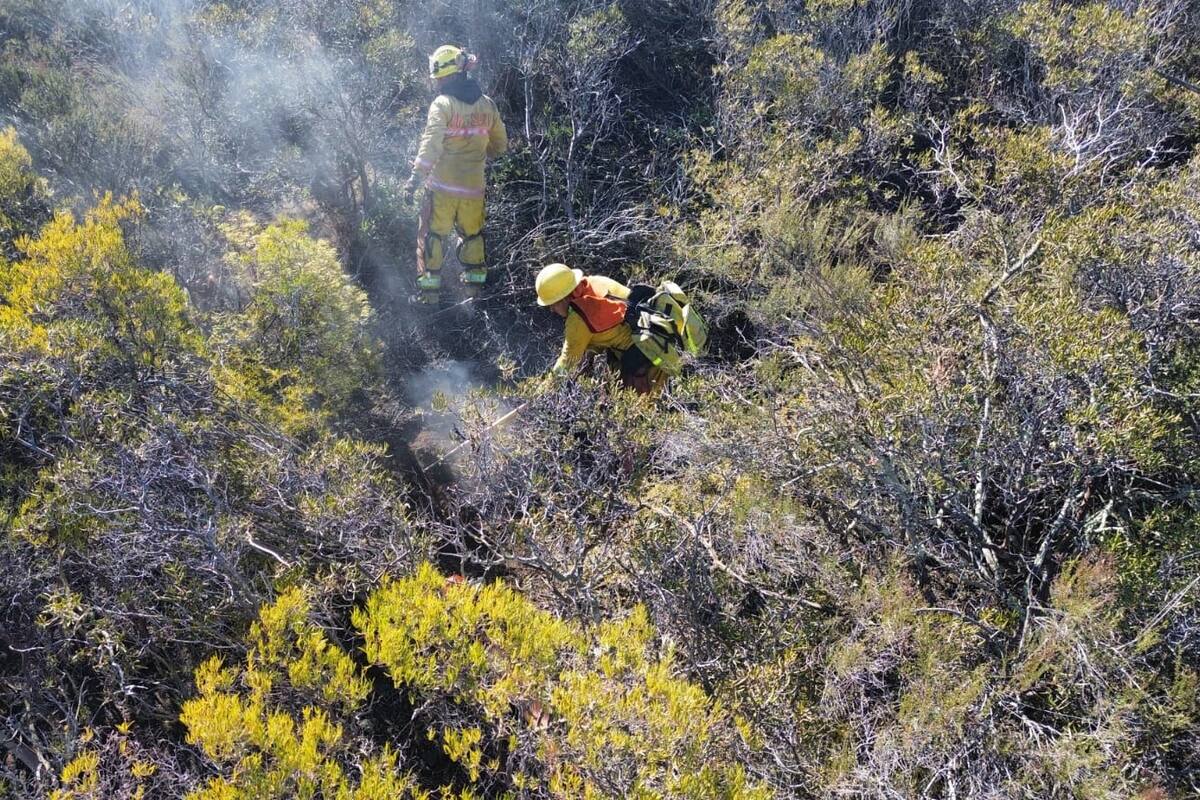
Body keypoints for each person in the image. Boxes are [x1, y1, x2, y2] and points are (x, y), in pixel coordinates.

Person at [405, 45, 508, 304]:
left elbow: (431, 144)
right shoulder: (488, 105)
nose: (436, 82)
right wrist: (477, 157)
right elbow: (500, 146)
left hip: (442, 188)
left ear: (448, 75)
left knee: (432, 236)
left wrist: (415, 178)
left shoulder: (443, 104)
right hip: (474, 190)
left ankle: (428, 296)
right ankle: (474, 293)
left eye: (438, 77)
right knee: (472, 237)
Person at [534, 263, 665, 394]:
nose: (551, 309)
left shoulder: (578, 321)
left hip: (647, 359)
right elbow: (606, 327)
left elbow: (567, 362)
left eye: (553, 304)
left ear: (563, 298)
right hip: (658, 339)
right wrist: (590, 350)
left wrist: (543, 391)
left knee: (640, 409)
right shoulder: (596, 281)